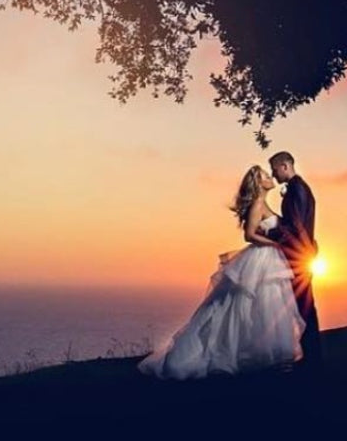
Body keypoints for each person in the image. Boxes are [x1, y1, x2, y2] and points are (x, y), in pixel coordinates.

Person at [137, 165, 304, 379]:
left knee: (266, 305)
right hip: (262, 257)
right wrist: (274, 244)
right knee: (244, 306)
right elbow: (249, 235)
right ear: (258, 183)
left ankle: (265, 355)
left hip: (269, 258)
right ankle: (236, 353)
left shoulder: (264, 203)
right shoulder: (258, 203)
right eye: (265, 175)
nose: (270, 177)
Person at [267, 150, 323, 371]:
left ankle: (312, 358)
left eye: (274, 168)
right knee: (302, 305)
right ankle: (311, 356)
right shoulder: (298, 188)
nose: (272, 173)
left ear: (285, 166)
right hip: (302, 252)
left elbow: (297, 225)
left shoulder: (297, 189)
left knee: (304, 306)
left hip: (298, 255)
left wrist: (273, 232)